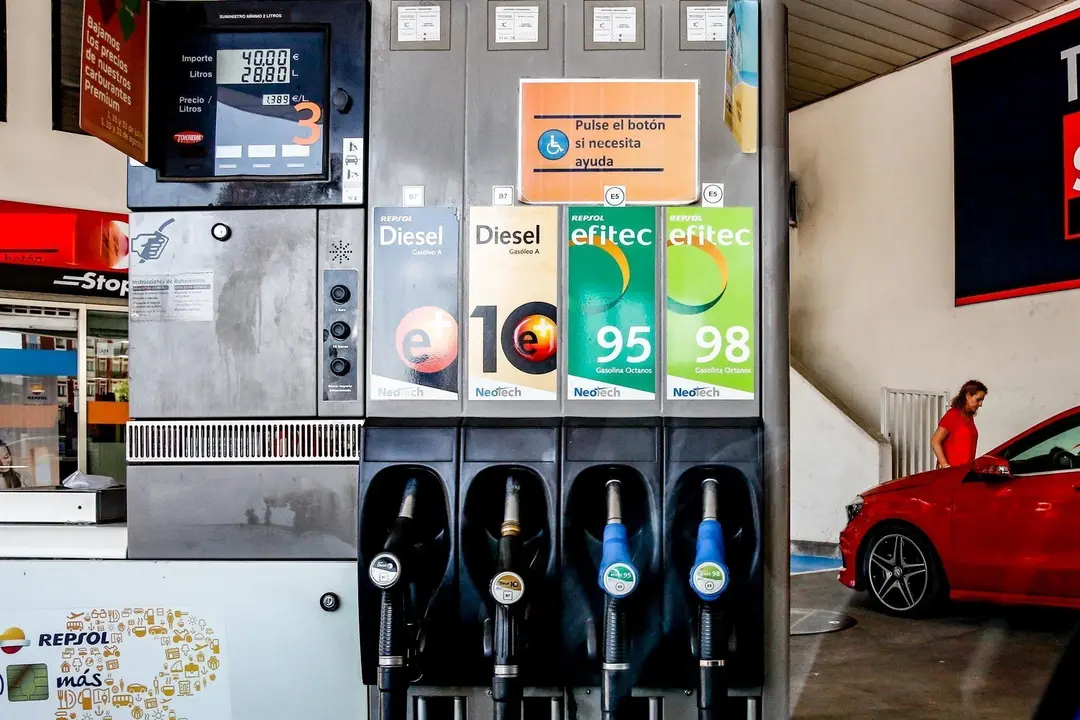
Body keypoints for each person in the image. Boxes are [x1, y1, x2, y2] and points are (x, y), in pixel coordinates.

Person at [930, 380, 987, 469]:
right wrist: (945, 465)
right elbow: (935, 440)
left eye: (982, 400)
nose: (980, 404)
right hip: (952, 472)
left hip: (965, 471)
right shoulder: (953, 415)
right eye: (978, 400)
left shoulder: (969, 418)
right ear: (968, 396)